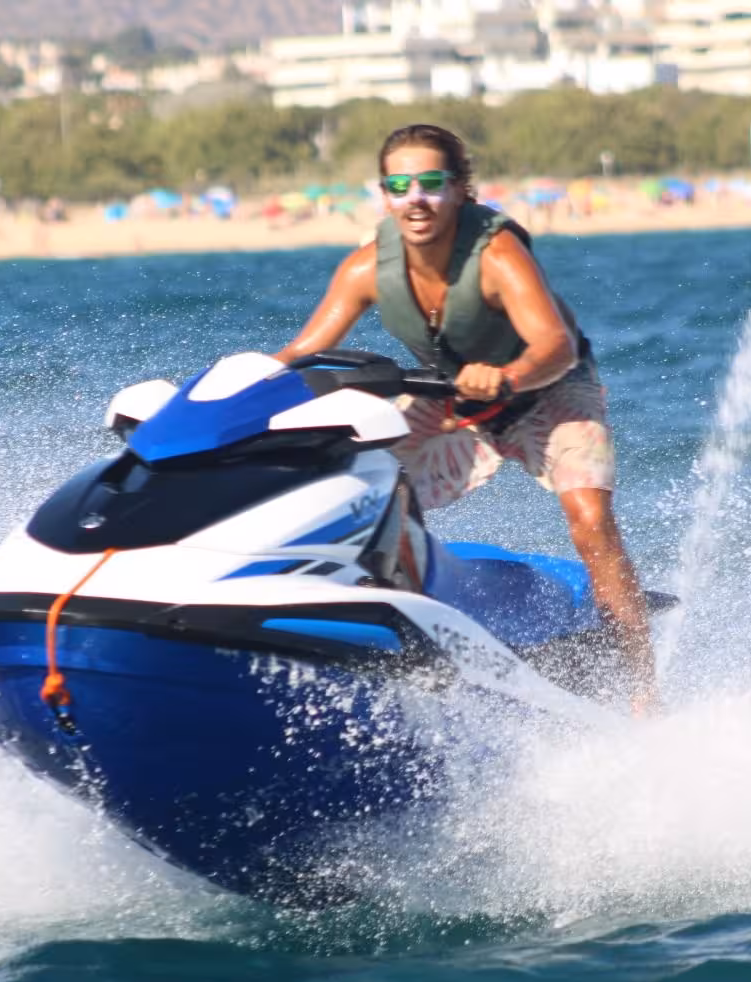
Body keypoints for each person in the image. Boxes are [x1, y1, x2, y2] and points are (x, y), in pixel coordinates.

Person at [273, 124, 655, 715]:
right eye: (400, 185)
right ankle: (407, 636)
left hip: (547, 392)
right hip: (450, 395)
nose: (416, 199)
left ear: (460, 191)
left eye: (431, 183)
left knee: (590, 519)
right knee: (368, 486)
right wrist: (225, 386)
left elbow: (553, 343)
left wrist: (505, 378)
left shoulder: (498, 254)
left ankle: (640, 686)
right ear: (385, 195)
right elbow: (299, 353)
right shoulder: (365, 269)